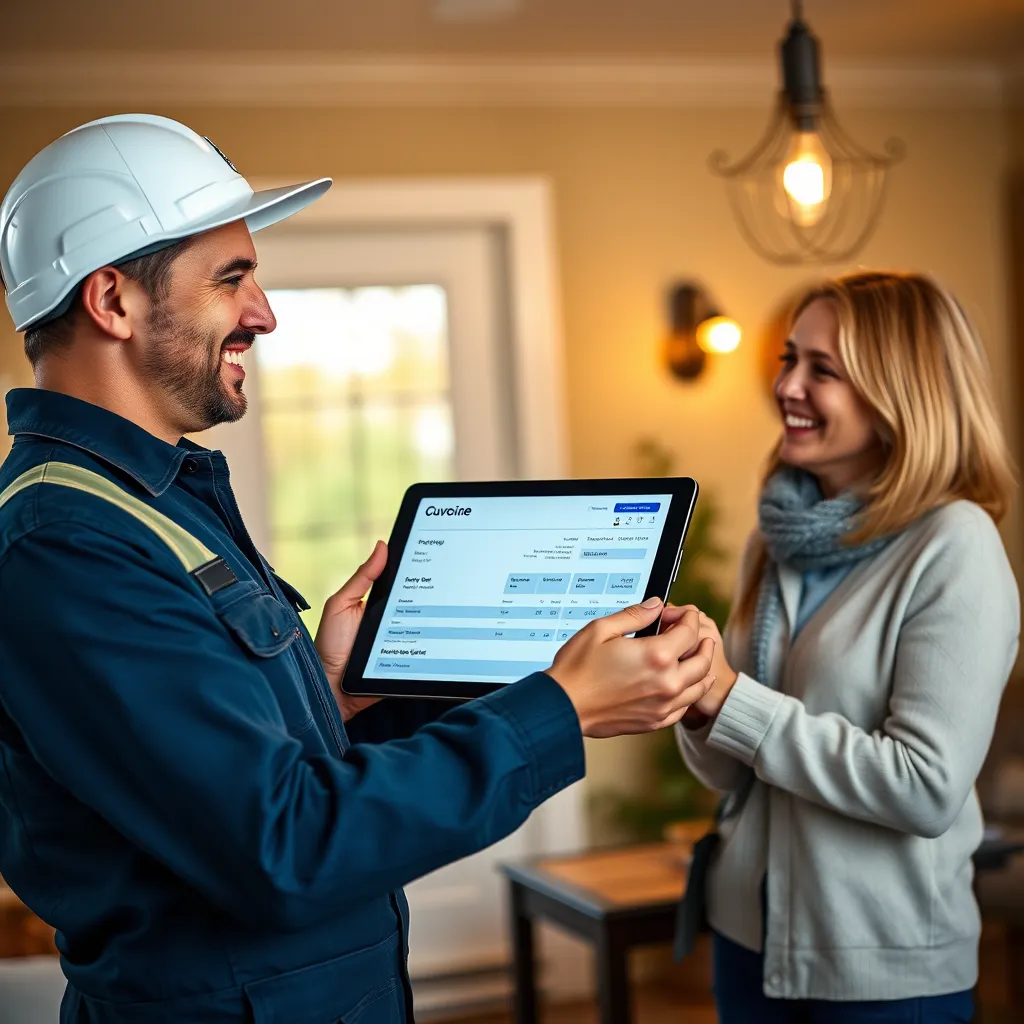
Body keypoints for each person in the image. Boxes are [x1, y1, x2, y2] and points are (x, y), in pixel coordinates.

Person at [0, 114, 716, 1024]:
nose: (263, 312)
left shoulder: (157, 498)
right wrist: (562, 710)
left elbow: (224, 778)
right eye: (232, 279)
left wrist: (328, 692)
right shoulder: (68, 545)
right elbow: (284, 848)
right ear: (113, 301)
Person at [677, 270, 1020, 1024]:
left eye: (821, 369)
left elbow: (925, 786)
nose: (788, 386)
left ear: (903, 393)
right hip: (745, 938)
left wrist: (733, 699)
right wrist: (697, 699)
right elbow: (732, 771)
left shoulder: (953, 545)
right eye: (787, 359)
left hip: (883, 971)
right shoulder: (776, 536)